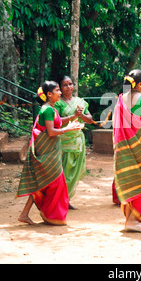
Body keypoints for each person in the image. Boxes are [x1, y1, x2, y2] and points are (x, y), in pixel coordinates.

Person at [17, 80, 84, 225]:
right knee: (55, 182)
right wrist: (69, 129)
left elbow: (56, 123)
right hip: (46, 153)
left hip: (50, 151)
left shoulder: (50, 108)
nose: (60, 93)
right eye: (58, 90)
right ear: (49, 94)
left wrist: (72, 119)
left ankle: (25, 214)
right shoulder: (47, 110)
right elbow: (52, 132)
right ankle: (51, 215)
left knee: (44, 183)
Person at [113, 69, 141, 233]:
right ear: (139, 84)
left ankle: (130, 219)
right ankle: (132, 220)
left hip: (123, 147)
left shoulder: (120, 100)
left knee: (130, 178)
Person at [55, 75, 93, 210]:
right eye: (65, 85)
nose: (69, 87)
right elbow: (56, 121)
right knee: (63, 172)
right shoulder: (57, 103)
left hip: (78, 141)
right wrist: (73, 116)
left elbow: (90, 119)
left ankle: (66, 199)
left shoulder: (80, 102)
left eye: (70, 84)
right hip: (63, 141)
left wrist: (81, 115)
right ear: (60, 88)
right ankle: (59, 200)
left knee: (74, 172)